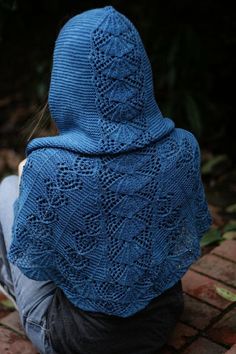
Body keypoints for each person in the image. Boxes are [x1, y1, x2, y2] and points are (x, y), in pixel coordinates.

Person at [0, 5, 212, 354]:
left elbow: (34, 261)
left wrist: (36, 191)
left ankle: (15, 296)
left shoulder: (50, 166)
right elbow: (179, 238)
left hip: (77, 341)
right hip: (159, 325)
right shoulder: (182, 148)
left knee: (9, 188)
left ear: (67, 79)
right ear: (139, 73)